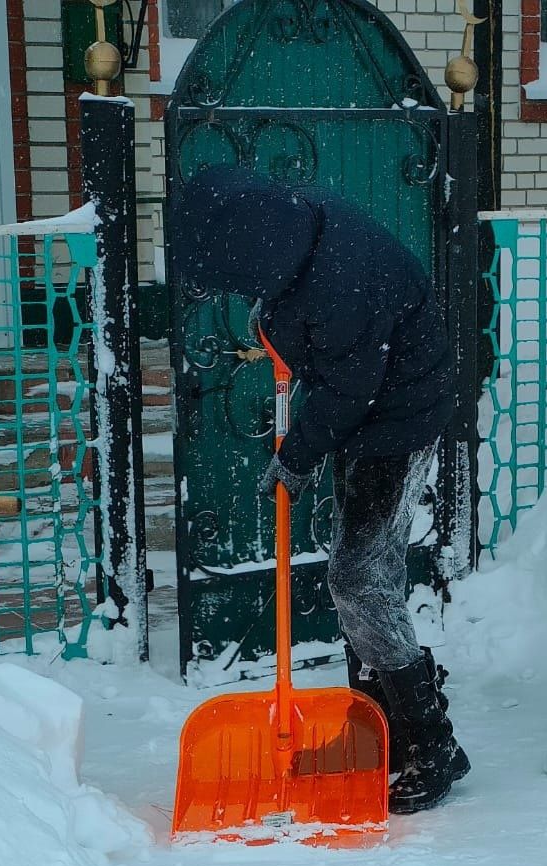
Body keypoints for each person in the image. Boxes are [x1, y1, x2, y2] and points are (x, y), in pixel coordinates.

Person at [170, 166, 470, 815]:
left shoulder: (337, 282)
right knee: (366, 574)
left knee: (360, 578)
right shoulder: (298, 231)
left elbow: (349, 387)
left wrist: (297, 457)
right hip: (374, 412)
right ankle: (375, 739)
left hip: (395, 421)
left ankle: (429, 743)